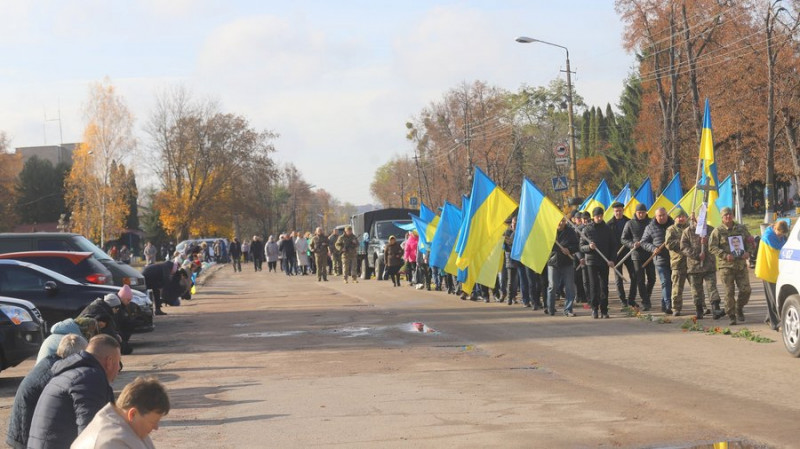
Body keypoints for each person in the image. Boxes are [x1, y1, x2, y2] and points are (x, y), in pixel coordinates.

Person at [27, 334, 121, 449]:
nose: (118, 370)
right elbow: (91, 436)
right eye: (118, 363)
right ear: (109, 362)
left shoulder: (70, 372)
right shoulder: (90, 378)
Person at [6, 335, 88, 449]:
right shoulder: (58, 371)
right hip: (27, 432)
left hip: (22, 427)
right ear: (77, 355)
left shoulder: (50, 361)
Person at [71, 376, 170, 449]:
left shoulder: (129, 427)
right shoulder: (112, 442)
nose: (156, 427)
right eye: (152, 422)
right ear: (132, 414)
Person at [709, 207, 753, 325]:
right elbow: (712, 247)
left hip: (740, 265)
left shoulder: (741, 228)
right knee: (729, 293)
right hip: (726, 267)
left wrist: (748, 252)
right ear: (722, 218)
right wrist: (724, 255)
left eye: (730, 214)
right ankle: (732, 315)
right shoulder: (717, 231)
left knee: (746, 290)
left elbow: (750, 241)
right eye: (725, 215)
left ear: (732, 215)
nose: (728, 217)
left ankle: (739, 307)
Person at [681, 217, 723, 319]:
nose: (702, 222)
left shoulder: (711, 230)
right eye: (700, 219)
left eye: (704, 219)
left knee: (712, 287)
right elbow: (683, 247)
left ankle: (715, 309)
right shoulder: (688, 231)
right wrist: (696, 255)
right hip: (694, 266)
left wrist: (707, 240)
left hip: (709, 265)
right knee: (696, 290)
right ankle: (699, 309)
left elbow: (719, 243)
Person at [581, 207, 617, 319]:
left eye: (601, 215)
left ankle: (604, 310)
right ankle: (594, 309)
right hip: (591, 261)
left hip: (604, 261)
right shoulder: (587, 229)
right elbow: (581, 247)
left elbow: (613, 246)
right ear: (593, 217)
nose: (599, 218)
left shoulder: (607, 229)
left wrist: (612, 260)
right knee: (594, 285)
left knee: (604, 286)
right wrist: (589, 247)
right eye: (597, 216)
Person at [78, 285, 135, 355]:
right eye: (117, 308)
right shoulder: (103, 316)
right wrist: (126, 348)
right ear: (113, 307)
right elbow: (110, 335)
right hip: (83, 340)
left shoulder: (96, 306)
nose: (117, 311)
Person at [755, 219, 790, 330]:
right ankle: (776, 323)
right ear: (775, 228)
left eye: (783, 234)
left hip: (777, 271)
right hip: (769, 271)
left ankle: (768, 318)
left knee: (773, 296)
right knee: (773, 298)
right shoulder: (768, 237)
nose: (781, 236)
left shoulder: (781, 237)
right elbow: (775, 253)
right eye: (780, 234)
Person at [621, 203, 656, 311]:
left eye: (643, 212)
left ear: (646, 213)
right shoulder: (630, 223)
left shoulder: (651, 223)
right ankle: (646, 302)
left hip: (649, 254)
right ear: (635, 213)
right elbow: (623, 239)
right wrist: (632, 244)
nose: (641, 214)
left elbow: (655, 235)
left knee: (652, 278)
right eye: (639, 212)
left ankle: (646, 295)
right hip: (636, 255)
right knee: (640, 280)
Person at [641, 207, 675, 315]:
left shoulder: (674, 225)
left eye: (663, 215)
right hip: (660, 259)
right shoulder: (650, 227)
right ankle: (668, 304)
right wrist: (652, 248)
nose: (662, 217)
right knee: (665, 281)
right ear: (655, 216)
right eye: (659, 215)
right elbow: (643, 242)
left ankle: (664, 303)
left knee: (672, 282)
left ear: (667, 214)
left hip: (674, 258)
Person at [607, 201, 637, 309]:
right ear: (613, 211)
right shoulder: (609, 224)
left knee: (634, 276)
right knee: (618, 278)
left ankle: (631, 299)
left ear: (623, 210)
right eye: (616, 211)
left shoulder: (629, 222)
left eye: (620, 211)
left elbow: (634, 236)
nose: (618, 213)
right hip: (615, 254)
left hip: (628, 252)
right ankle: (622, 299)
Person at [547, 218, 579, 317]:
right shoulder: (550, 231)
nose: (561, 223)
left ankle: (568, 309)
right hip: (553, 263)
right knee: (552, 287)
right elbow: (544, 245)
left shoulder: (570, 231)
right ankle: (550, 308)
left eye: (563, 221)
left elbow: (577, 246)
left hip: (567, 263)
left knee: (569, 287)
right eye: (559, 221)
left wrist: (569, 249)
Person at [664, 209, 689, 315]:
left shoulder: (690, 229)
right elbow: (668, 244)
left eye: (683, 216)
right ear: (675, 218)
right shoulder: (671, 230)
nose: (681, 218)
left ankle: (701, 306)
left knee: (696, 286)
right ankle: (676, 308)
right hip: (678, 262)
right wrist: (682, 242)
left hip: (691, 261)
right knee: (677, 287)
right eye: (679, 217)